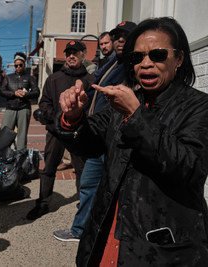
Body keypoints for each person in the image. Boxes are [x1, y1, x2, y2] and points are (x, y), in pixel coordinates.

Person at [59, 17, 208, 266]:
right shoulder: (125, 100)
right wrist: (74, 116)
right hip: (108, 232)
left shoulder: (199, 106)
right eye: (137, 57)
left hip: (162, 246)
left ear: (179, 59)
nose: (146, 64)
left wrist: (136, 116)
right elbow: (89, 143)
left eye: (158, 54)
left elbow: (190, 168)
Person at [53, 21, 137, 242]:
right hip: (98, 134)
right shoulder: (112, 63)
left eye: (125, 36)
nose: (120, 40)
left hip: (116, 138)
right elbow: (92, 86)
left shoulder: (133, 65)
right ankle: (81, 230)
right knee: (89, 185)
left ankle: (95, 233)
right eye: (116, 36)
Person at [26, 40, 95, 220]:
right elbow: (44, 103)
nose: (71, 55)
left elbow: (93, 108)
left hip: (78, 133)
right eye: (68, 52)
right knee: (48, 168)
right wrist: (59, 118)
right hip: (56, 132)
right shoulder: (54, 78)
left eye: (76, 52)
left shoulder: (90, 81)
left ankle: (84, 205)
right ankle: (43, 204)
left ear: (83, 55)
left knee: (82, 170)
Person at [0, 52, 39, 151]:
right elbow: (2, 91)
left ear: (24, 65)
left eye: (20, 65)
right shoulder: (8, 77)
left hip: (24, 108)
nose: (18, 67)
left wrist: (25, 94)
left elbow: (37, 92)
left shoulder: (30, 78)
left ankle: (21, 155)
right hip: (10, 108)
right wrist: (14, 93)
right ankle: (3, 153)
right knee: (5, 132)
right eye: (16, 65)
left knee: (22, 134)